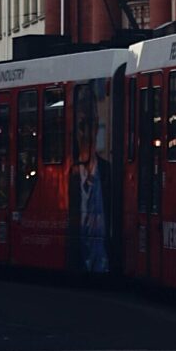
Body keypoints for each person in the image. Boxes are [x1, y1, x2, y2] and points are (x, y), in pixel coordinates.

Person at [67, 84, 110, 274]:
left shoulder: (109, 173)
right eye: (82, 125)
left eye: (92, 123)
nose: (87, 132)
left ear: (98, 123)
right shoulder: (68, 178)